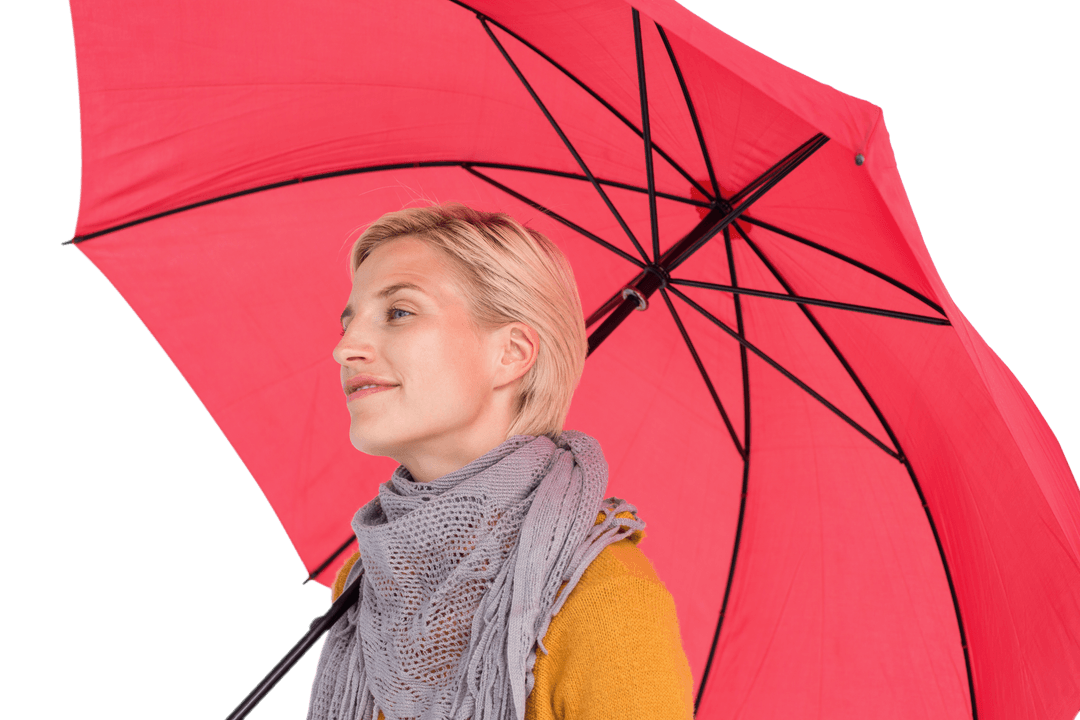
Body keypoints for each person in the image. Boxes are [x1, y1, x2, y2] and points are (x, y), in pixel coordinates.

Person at [306, 203, 694, 720]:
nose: (346, 349)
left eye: (399, 312)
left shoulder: (605, 597)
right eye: (347, 325)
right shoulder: (364, 581)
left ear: (511, 354)